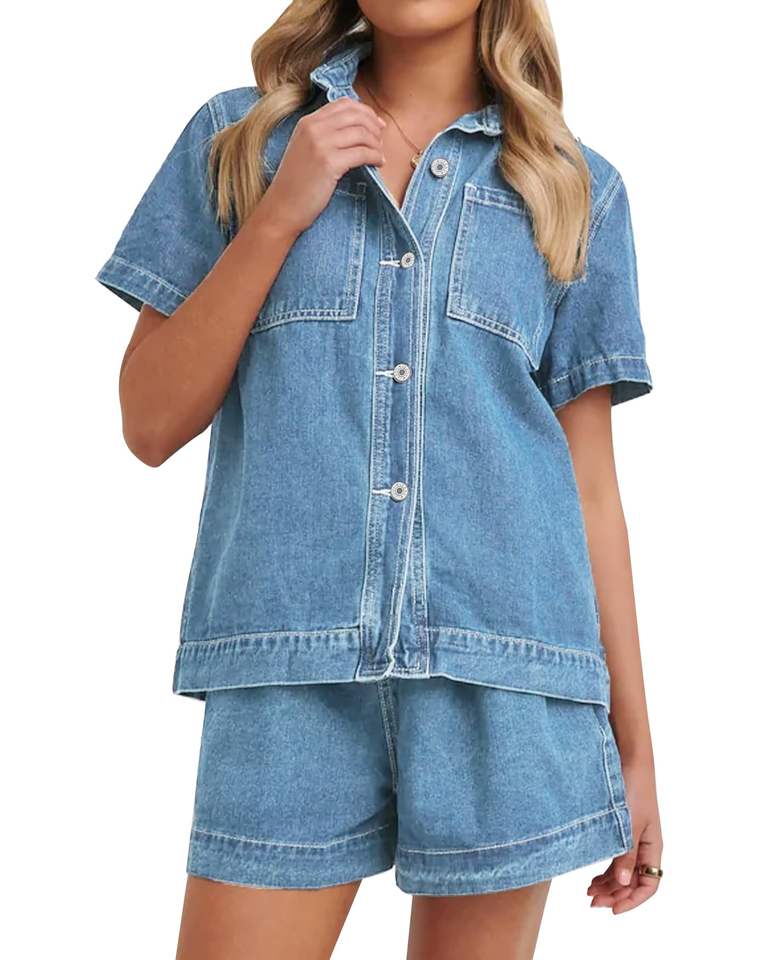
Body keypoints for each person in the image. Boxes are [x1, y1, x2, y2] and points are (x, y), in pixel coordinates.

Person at [95, 2, 663, 957]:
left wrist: (636, 750)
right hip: (289, 670)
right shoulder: (241, 141)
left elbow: (590, 491)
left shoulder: (573, 187)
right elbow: (149, 422)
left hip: (504, 673)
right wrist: (281, 213)